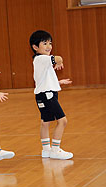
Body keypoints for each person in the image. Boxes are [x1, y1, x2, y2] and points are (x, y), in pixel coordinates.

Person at [29, 30, 73, 160]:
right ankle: (55, 149)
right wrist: (59, 62)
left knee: (45, 122)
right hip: (48, 95)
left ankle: (46, 150)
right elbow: (58, 58)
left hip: (42, 94)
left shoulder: (40, 60)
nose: (49, 46)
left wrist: (58, 82)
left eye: (50, 43)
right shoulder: (42, 58)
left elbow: (43, 80)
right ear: (35, 47)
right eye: (45, 43)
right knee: (63, 121)